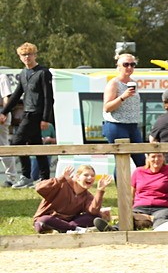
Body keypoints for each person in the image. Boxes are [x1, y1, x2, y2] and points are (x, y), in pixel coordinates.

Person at [0, 42, 56, 185]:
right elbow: (16, 95)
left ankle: (25, 176)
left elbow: (48, 97)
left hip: (36, 114)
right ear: (20, 57)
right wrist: (4, 112)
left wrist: (45, 119)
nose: (26, 57)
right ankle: (45, 178)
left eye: (29, 54)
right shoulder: (23, 74)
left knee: (16, 142)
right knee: (36, 145)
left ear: (35, 55)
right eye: (23, 55)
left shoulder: (43, 72)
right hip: (27, 112)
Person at [32, 166, 113, 233]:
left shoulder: (87, 196)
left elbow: (93, 211)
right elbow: (39, 188)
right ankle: (75, 230)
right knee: (45, 220)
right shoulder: (62, 184)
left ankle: (67, 230)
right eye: (86, 175)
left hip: (69, 222)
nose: (90, 178)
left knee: (95, 216)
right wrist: (61, 178)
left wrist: (100, 191)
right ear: (77, 177)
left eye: (92, 176)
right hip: (49, 221)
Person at [102, 51, 145, 167]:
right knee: (122, 161)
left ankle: (141, 185)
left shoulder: (134, 83)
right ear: (118, 67)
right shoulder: (114, 84)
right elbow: (107, 107)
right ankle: (121, 185)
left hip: (132, 125)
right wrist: (122, 97)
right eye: (126, 64)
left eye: (132, 64)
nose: (129, 67)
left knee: (141, 160)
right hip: (116, 124)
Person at [131, 151, 168, 228]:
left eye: (159, 156)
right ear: (148, 158)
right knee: (129, 218)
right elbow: (131, 195)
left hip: (163, 207)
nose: (156, 159)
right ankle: (112, 229)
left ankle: (157, 231)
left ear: (164, 157)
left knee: (161, 218)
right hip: (140, 207)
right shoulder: (138, 171)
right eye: (153, 156)